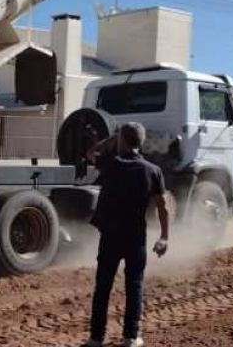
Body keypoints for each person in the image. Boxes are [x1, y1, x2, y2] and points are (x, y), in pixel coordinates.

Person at [80, 122, 170, 347]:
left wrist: (111, 139)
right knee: (135, 285)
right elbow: (162, 207)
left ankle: (96, 338)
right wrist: (164, 237)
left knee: (103, 287)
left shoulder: (111, 164)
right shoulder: (152, 170)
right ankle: (130, 337)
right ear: (141, 142)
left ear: (122, 140)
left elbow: (90, 153)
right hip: (136, 237)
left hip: (110, 235)